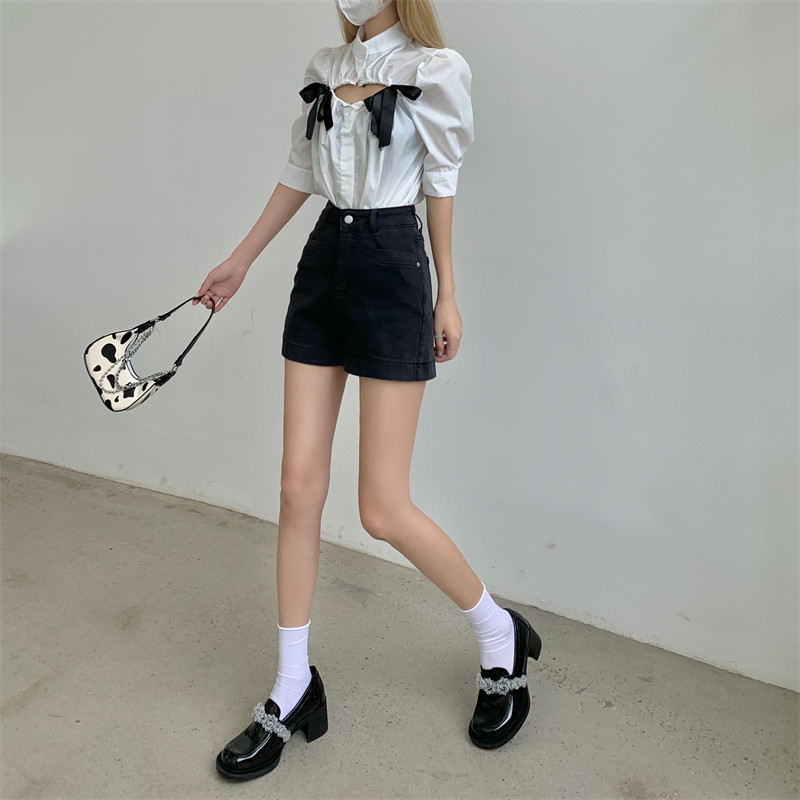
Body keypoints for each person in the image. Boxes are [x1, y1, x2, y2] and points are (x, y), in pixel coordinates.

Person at [196, 0, 543, 782]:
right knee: (296, 489)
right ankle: (293, 687)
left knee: (382, 508)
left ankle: (499, 635)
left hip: (393, 265)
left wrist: (448, 293)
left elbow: (440, 180)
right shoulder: (327, 66)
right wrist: (240, 260)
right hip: (324, 264)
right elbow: (299, 171)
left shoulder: (435, 69)